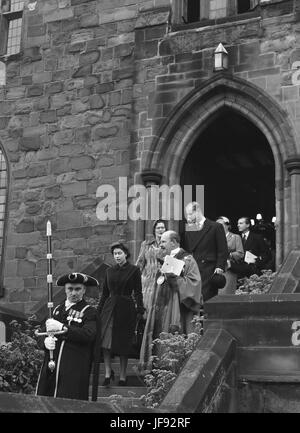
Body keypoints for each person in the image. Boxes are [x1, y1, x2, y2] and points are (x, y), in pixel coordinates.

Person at [139, 230, 201, 371]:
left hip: (175, 308)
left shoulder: (187, 259)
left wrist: (175, 279)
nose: (160, 245)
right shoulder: (164, 258)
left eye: (163, 242)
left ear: (173, 242)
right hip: (160, 305)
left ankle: (170, 368)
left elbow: (194, 284)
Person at [36, 272, 99, 400]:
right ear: (65, 290)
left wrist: (63, 328)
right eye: (70, 289)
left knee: (68, 401)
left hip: (74, 366)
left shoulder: (89, 312)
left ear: (84, 290)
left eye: (78, 289)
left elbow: (88, 335)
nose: (74, 293)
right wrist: (45, 341)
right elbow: (42, 332)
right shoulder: (56, 310)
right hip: (51, 365)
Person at [97, 242, 144, 386]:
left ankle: (123, 376)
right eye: (115, 254)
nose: (117, 256)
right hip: (109, 308)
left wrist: (140, 308)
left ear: (126, 254)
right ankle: (107, 372)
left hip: (126, 308)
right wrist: (98, 310)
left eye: (119, 253)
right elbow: (104, 294)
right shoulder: (109, 271)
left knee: (123, 343)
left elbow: (138, 291)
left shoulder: (134, 270)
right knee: (105, 342)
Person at [184, 202, 228, 302]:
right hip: (194, 269)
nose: (188, 217)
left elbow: (222, 249)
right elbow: (188, 250)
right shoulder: (190, 229)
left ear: (198, 211)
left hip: (210, 269)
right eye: (187, 214)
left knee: (207, 298)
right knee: (194, 299)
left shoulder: (215, 226)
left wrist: (219, 266)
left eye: (190, 214)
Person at [136, 219, 167, 317]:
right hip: (147, 281)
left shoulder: (169, 245)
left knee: (159, 308)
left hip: (162, 280)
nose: (160, 230)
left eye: (162, 228)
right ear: (154, 230)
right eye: (158, 228)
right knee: (146, 307)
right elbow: (140, 262)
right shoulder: (146, 245)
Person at [216, 216, 244, 294]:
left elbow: (240, 253)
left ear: (228, 225)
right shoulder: (213, 238)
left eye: (220, 224)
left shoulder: (235, 237)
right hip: (216, 269)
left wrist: (229, 254)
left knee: (227, 293)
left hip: (229, 269)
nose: (218, 226)